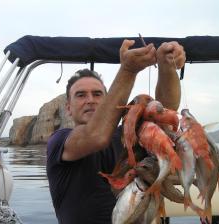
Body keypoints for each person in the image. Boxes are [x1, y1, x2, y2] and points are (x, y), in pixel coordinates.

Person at [46, 39, 186, 224]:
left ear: (109, 101)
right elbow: (96, 136)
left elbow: (165, 112)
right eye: (81, 95)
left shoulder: (128, 136)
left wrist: (167, 64)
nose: (90, 100)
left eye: (97, 94)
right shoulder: (59, 141)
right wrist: (128, 70)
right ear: (68, 108)